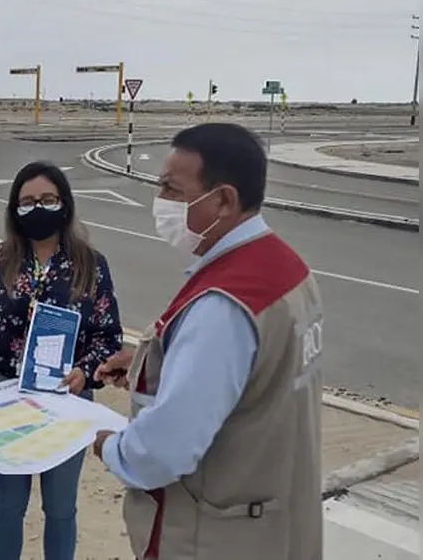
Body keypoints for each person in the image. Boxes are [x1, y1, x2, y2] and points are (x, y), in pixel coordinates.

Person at [91, 123, 324, 560]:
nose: (160, 202)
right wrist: (146, 366)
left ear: (223, 200)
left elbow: (163, 451)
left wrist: (112, 447)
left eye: (171, 189)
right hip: (279, 520)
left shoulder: (224, 305)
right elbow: (254, 382)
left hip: (216, 536)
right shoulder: (290, 270)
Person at [0, 161, 124, 560]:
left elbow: (108, 335)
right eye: (27, 202)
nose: (38, 208)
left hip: (67, 402)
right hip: (6, 399)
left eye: (47, 199)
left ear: (64, 204)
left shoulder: (91, 264)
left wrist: (86, 372)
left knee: (61, 510)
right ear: (14, 209)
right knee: (9, 506)